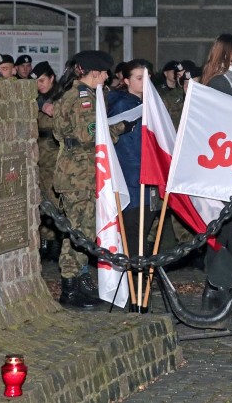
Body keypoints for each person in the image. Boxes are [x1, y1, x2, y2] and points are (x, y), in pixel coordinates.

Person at [52, 50, 129, 309]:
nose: (108, 77)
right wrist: (119, 128)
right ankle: (69, 289)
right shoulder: (83, 98)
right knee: (79, 232)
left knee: (83, 230)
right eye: (105, 72)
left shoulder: (85, 95)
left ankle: (78, 283)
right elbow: (89, 135)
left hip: (81, 173)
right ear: (94, 71)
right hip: (78, 175)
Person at [199, 34, 232, 309]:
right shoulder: (221, 84)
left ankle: (229, 287)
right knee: (230, 228)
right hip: (225, 166)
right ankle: (220, 288)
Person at [108, 59, 155, 311]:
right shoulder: (122, 106)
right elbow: (129, 150)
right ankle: (135, 297)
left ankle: (140, 294)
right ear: (126, 80)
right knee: (135, 242)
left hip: (148, 183)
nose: (143, 82)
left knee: (142, 241)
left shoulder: (147, 103)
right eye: (138, 77)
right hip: (132, 183)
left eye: (147, 77)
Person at [32, 61, 62, 262]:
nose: (39, 85)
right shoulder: (36, 98)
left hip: (54, 152)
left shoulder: (60, 97)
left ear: (51, 78)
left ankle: (57, 240)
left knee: (54, 197)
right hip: (39, 153)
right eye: (36, 82)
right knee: (40, 196)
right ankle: (46, 240)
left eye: (42, 80)